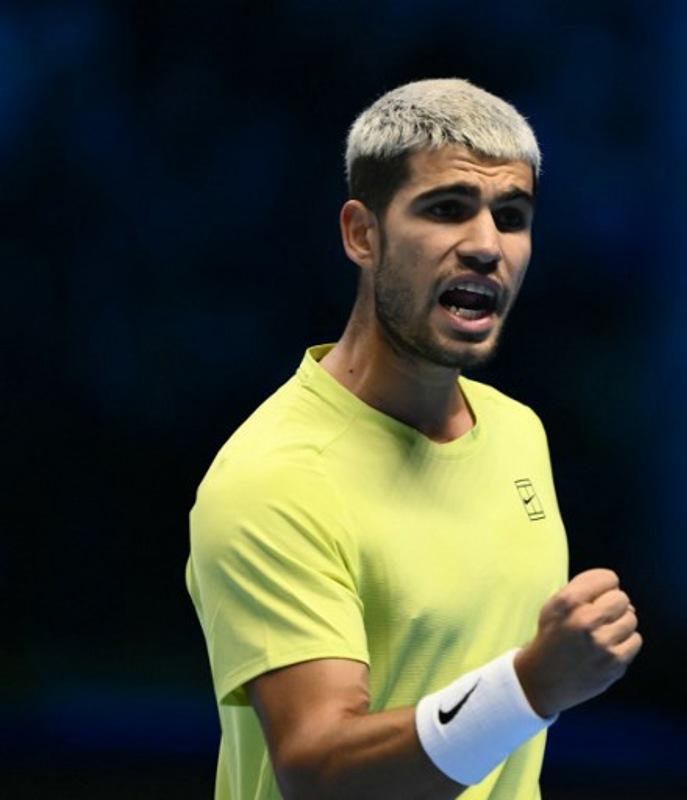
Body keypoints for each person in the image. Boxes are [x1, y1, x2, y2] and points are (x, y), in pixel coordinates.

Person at [186, 78, 643, 800]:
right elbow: (320, 769)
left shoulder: (519, 433)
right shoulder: (273, 477)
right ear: (362, 234)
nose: (487, 246)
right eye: (447, 209)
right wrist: (530, 686)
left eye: (512, 216)